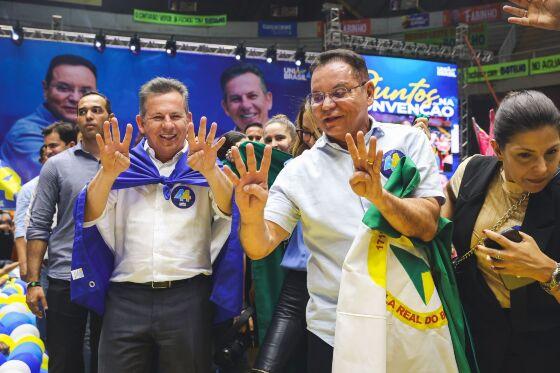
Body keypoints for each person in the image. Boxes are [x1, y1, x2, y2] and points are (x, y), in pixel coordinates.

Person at [224, 49, 443, 371]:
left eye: (339, 93)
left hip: (410, 318)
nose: (326, 105)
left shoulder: (408, 142)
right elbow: (260, 247)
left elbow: (427, 225)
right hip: (334, 328)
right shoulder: (299, 170)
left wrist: (379, 197)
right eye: (317, 97)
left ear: (369, 92)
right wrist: (253, 214)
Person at [82, 77, 232, 373]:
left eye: (176, 116)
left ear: (188, 120)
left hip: (187, 298)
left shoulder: (204, 163)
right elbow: (90, 214)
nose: (168, 125)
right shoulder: (123, 165)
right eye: (158, 117)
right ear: (141, 122)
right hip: (126, 298)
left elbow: (229, 210)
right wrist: (107, 174)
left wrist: (212, 171)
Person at [443, 90, 560, 372]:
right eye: (524, 156)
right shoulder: (470, 172)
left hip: (544, 352)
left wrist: (547, 270)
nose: (542, 168)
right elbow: (441, 211)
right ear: (497, 149)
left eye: (552, 152)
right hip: (475, 341)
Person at [26, 91, 110, 373]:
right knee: (64, 360)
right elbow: (38, 224)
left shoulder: (127, 164)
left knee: (109, 361)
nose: (89, 116)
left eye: (96, 110)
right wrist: (34, 281)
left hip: (115, 278)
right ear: (76, 119)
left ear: (109, 117)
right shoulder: (56, 165)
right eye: (83, 111)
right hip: (64, 276)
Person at [252, 101, 321, 373]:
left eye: (279, 137)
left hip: (342, 282)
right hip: (296, 283)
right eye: (309, 131)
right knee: (268, 365)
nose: (271, 144)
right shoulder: (295, 170)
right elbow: (262, 242)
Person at [0, 55, 97, 183]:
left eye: (84, 90)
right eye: (63, 88)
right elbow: (60, 177)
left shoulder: (84, 129)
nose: (75, 98)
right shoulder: (25, 133)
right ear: (46, 89)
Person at [14, 121, 77, 280]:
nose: (48, 151)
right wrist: (24, 263)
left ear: (71, 146)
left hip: (79, 263)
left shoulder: (84, 180)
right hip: (44, 264)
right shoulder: (30, 188)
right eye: (46, 147)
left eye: (53, 146)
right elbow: (21, 227)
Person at [220, 63, 273, 132]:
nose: (246, 105)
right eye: (236, 99)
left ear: (268, 100)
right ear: (226, 107)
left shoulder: (290, 141)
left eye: (252, 96)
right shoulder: (220, 143)